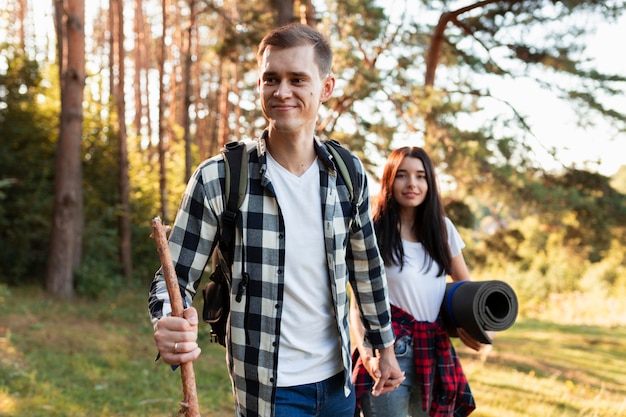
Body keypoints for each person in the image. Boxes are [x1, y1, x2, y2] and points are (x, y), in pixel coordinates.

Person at [148, 23, 404, 417]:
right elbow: (174, 277)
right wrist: (166, 321)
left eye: (297, 79)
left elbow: (367, 270)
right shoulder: (220, 177)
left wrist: (383, 348)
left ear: (326, 87)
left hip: (339, 383)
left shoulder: (347, 173)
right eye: (272, 79)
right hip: (269, 392)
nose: (282, 91)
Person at [350, 146, 481, 417]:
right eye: (402, 175)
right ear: (389, 180)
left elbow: (465, 292)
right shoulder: (373, 231)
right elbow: (358, 304)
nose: (412, 184)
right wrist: (367, 355)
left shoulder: (443, 230)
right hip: (388, 351)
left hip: (434, 348)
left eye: (421, 176)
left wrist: (479, 331)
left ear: (430, 183)